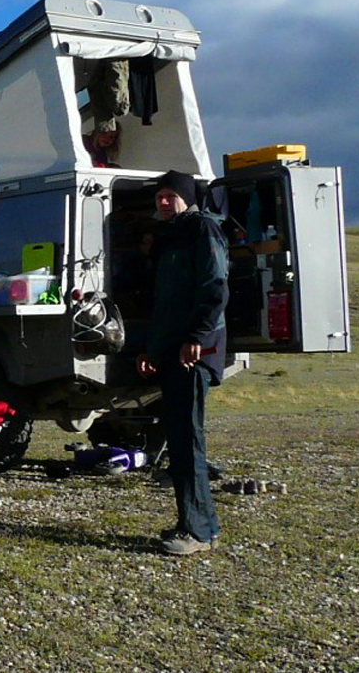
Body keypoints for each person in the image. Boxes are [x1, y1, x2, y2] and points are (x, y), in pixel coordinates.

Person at [135, 170, 229, 556]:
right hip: (172, 352)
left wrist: (197, 337)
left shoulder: (203, 229)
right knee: (179, 439)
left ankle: (198, 532)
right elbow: (165, 304)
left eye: (171, 195)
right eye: (159, 195)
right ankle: (197, 525)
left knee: (188, 440)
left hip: (194, 352)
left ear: (187, 198)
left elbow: (214, 287)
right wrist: (151, 351)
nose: (163, 201)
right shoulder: (171, 238)